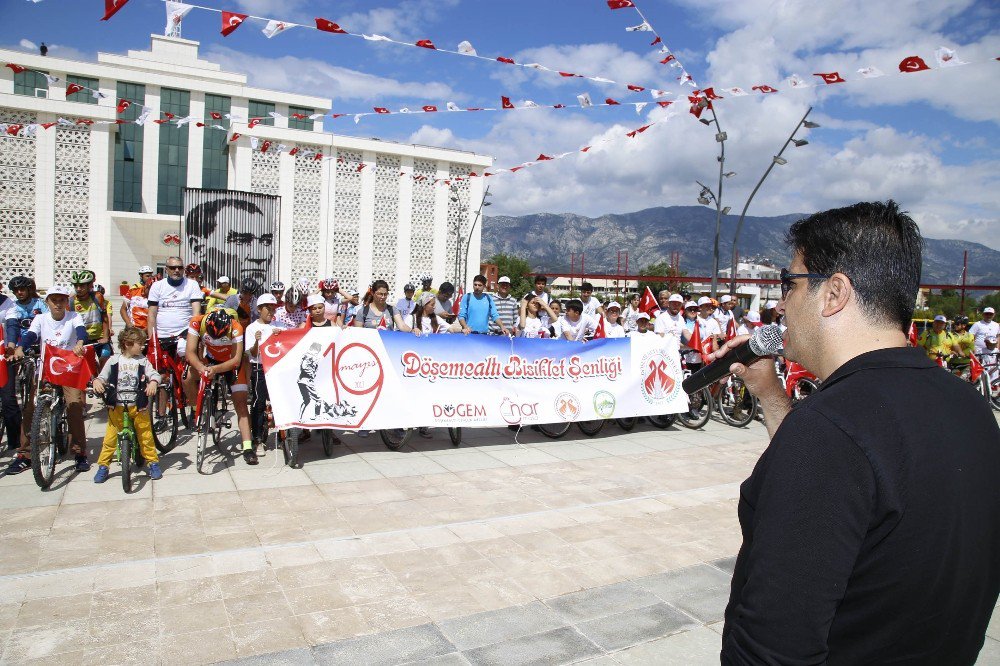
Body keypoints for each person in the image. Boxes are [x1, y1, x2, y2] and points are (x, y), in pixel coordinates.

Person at [710, 200, 1000, 663]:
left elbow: (772, 648)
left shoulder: (828, 431)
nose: (781, 304)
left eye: (790, 284)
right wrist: (769, 393)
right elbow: (846, 477)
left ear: (834, 292)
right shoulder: (968, 406)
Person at [10, 285, 91, 474]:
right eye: (54, 300)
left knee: (74, 405)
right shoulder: (40, 318)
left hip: (68, 368)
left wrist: (80, 343)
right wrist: (21, 347)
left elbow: (81, 332)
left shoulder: (73, 317)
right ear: (47, 302)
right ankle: (25, 454)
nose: (58, 303)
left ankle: (79, 452)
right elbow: (31, 335)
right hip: (46, 368)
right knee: (30, 407)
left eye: (62, 299)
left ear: (66, 301)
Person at [92, 327, 163, 483]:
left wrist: (153, 382)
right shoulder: (113, 360)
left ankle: (153, 463)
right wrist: (97, 381)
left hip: (139, 406)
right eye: (140, 343)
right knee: (110, 439)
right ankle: (103, 466)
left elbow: (155, 374)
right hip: (116, 406)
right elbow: (102, 376)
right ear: (127, 343)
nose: (143, 346)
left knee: (145, 436)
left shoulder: (143, 361)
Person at [186, 308, 256, 465]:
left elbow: (237, 360)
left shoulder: (236, 327)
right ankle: (194, 409)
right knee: (188, 377)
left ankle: (247, 447)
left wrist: (215, 370)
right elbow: (190, 352)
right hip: (210, 360)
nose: (216, 339)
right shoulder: (197, 322)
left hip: (230, 363)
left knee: (241, 404)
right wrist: (201, 367)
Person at [146, 256, 202, 411]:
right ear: (166, 270)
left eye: (179, 267)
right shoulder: (157, 286)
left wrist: (193, 335)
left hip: (185, 333)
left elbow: (196, 313)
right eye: (172, 268)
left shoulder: (192, 285)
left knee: (187, 374)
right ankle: (162, 414)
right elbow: (151, 314)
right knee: (162, 376)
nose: (176, 270)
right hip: (162, 334)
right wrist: (151, 338)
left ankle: (193, 406)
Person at [185, 196, 274, 288]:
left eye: (266, 241)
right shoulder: (190, 295)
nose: (259, 257)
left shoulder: (266, 300)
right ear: (198, 247)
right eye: (240, 240)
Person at [2, 276, 44, 455]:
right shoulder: (14, 304)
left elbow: (43, 323)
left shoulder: (39, 303)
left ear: (29, 289)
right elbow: (14, 328)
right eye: (16, 290)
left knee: (18, 395)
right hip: (19, 347)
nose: (20, 292)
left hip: (36, 344)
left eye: (23, 289)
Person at [245, 293, 277, 450]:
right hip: (259, 368)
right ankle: (257, 439)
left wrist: (281, 335)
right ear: (259, 309)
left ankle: (286, 434)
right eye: (267, 308)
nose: (271, 312)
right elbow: (251, 353)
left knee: (279, 401)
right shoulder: (252, 328)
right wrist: (257, 341)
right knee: (258, 402)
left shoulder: (278, 326)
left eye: (273, 308)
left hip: (276, 368)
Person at [69, 269, 112, 367]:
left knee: (105, 359)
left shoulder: (98, 297)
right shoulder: (70, 302)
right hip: (82, 340)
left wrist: (105, 337)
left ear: (89, 286)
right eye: (76, 286)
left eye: (82, 286)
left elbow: (104, 318)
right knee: (87, 366)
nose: (78, 289)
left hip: (99, 337)